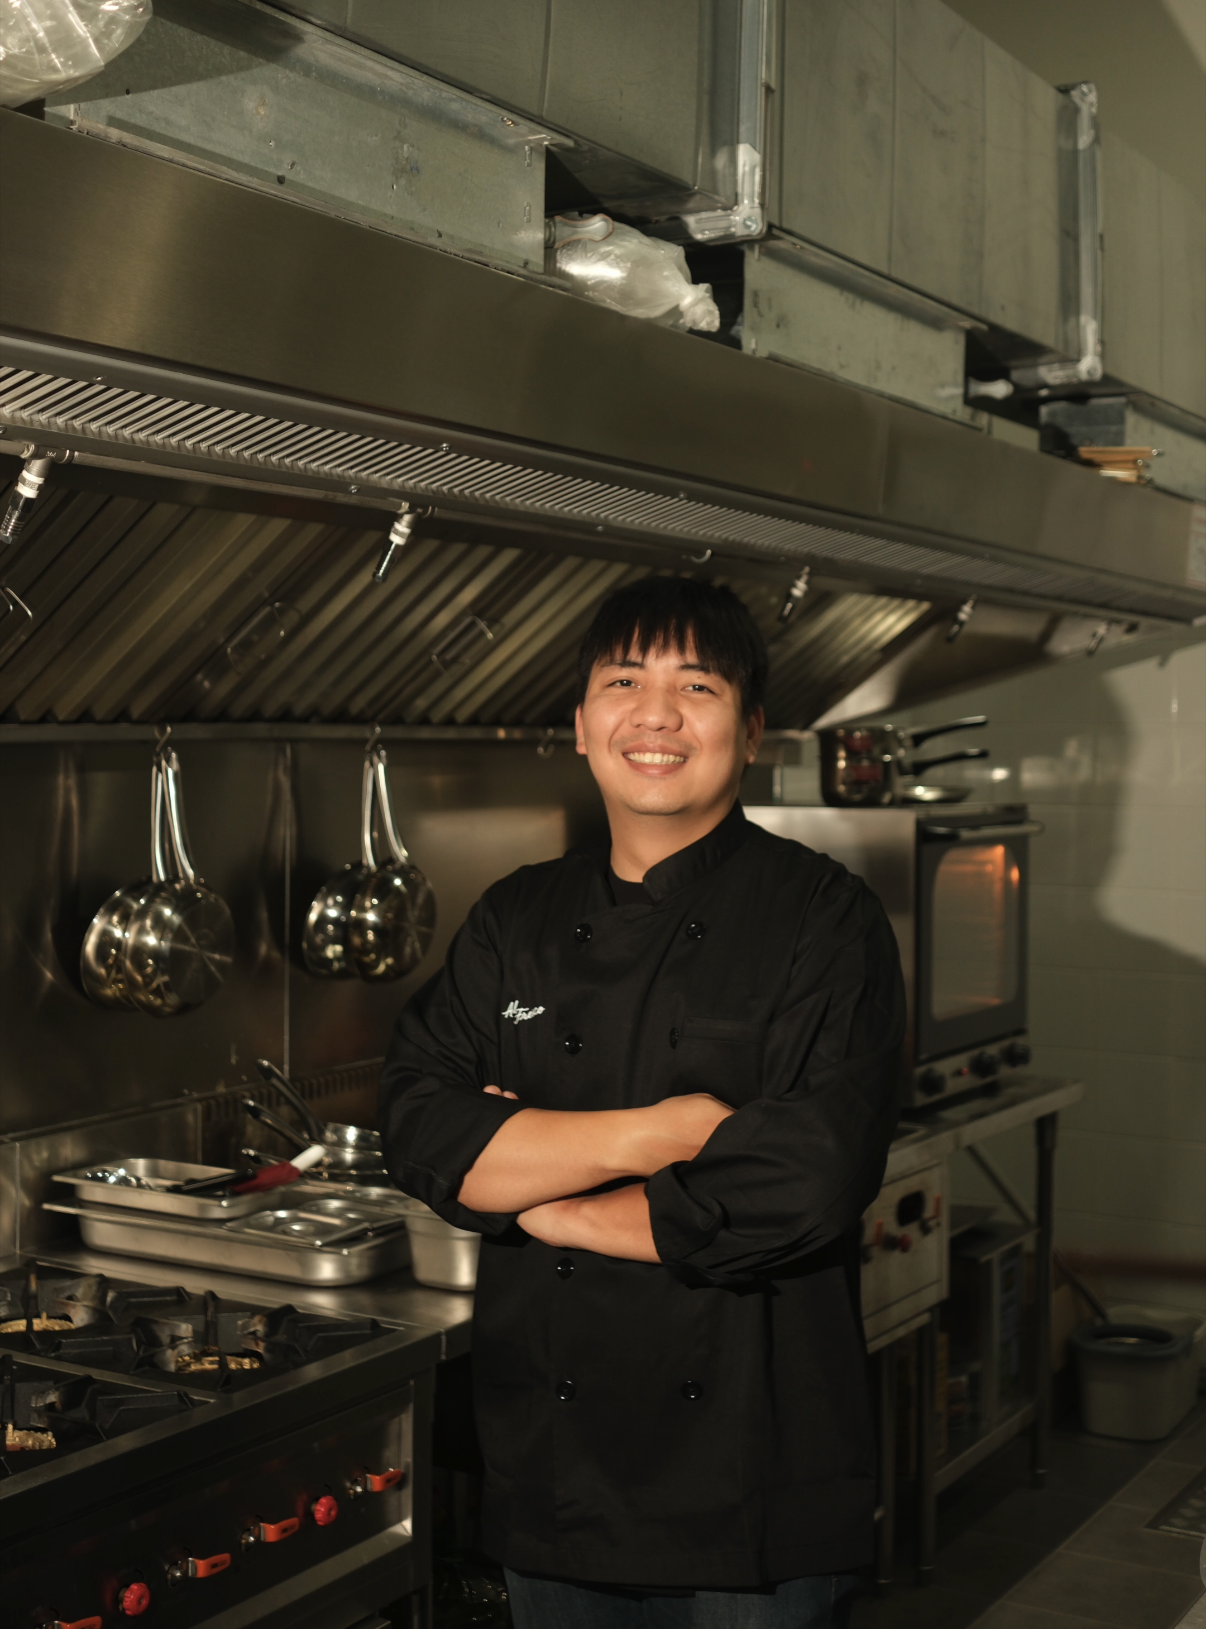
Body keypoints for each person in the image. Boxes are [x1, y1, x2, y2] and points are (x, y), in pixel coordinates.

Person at [379, 577, 906, 1628]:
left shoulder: (823, 918)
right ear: (580, 724)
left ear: (749, 731)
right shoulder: (515, 918)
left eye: (696, 686)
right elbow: (423, 1128)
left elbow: (806, 1178)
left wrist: (543, 1195)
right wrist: (665, 1132)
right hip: (554, 1479)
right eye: (625, 681)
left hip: (753, 1493)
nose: (655, 716)